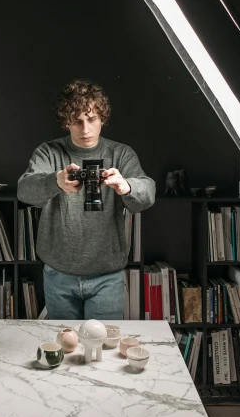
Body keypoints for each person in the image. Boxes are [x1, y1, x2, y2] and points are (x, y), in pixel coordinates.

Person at [17, 79, 156, 320]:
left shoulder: (121, 153)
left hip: (107, 275)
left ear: (102, 118)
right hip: (58, 273)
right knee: (66, 349)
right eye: (77, 121)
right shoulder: (48, 152)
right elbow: (24, 190)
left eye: (91, 119)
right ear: (65, 121)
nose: (85, 130)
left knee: (102, 354)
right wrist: (55, 181)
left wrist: (126, 186)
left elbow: (148, 194)